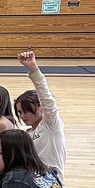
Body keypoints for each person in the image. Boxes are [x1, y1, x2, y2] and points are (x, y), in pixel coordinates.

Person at [14, 49, 66, 177]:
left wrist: (33, 69)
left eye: (27, 111)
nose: (22, 116)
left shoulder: (51, 125)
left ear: (41, 106)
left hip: (51, 184)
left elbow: (46, 97)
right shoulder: (27, 134)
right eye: (19, 112)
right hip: (30, 180)